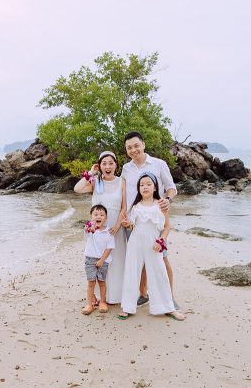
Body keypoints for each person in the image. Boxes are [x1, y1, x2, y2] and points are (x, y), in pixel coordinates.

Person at [119, 131, 177, 305]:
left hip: (154, 220)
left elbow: (171, 187)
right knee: (140, 260)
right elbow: (124, 193)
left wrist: (168, 199)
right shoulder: (126, 168)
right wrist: (122, 212)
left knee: (162, 258)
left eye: (136, 145)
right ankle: (143, 294)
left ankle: (169, 298)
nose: (133, 150)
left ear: (143, 144)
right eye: (129, 148)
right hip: (133, 221)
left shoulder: (159, 164)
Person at [118, 174, 184, 321]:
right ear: (138, 189)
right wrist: (126, 224)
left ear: (155, 187)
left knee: (159, 273)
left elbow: (167, 227)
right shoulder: (135, 206)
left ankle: (168, 307)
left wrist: (161, 241)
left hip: (154, 244)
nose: (145, 187)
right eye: (142, 185)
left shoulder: (161, 205)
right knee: (131, 272)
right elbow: (132, 225)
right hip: (135, 242)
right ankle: (127, 307)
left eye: (148, 184)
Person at [73, 150, 125, 305]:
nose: (107, 166)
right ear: (100, 165)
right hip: (97, 228)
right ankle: (96, 296)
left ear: (116, 165)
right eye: (104, 163)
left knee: (115, 260)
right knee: (97, 258)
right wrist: (90, 172)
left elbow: (124, 207)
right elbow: (77, 189)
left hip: (115, 226)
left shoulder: (122, 181)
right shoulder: (95, 182)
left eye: (111, 163)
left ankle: (114, 295)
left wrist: (117, 225)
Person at [82, 204, 116, 315]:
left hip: (103, 260)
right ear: (91, 216)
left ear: (106, 218)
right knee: (91, 282)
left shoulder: (109, 232)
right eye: (95, 214)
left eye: (102, 215)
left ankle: (102, 302)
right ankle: (90, 304)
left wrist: (102, 260)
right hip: (90, 259)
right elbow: (87, 230)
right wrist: (91, 228)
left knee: (102, 282)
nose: (98, 217)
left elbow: (109, 248)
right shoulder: (90, 230)